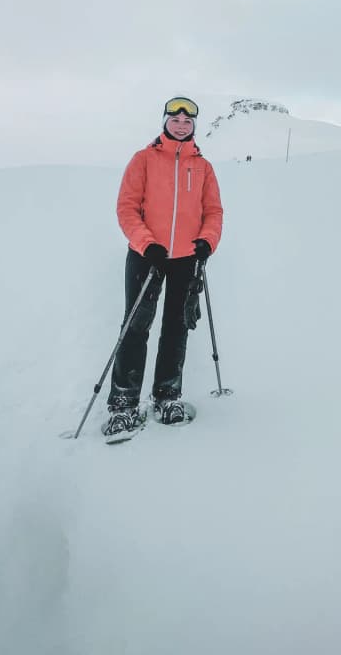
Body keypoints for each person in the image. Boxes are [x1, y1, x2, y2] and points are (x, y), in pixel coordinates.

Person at [104, 96, 224, 436]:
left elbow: (214, 211)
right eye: (176, 118)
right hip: (147, 256)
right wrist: (148, 243)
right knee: (135, 326)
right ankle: (123, 404)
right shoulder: (143, 159)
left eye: (188, 120)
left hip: (186, 258)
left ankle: (167, 395)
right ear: (165, 121)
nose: (182, 123)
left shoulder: (202, 167)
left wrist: (207, 241)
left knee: (176, 326)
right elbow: (126, 208)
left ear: (194, 126)